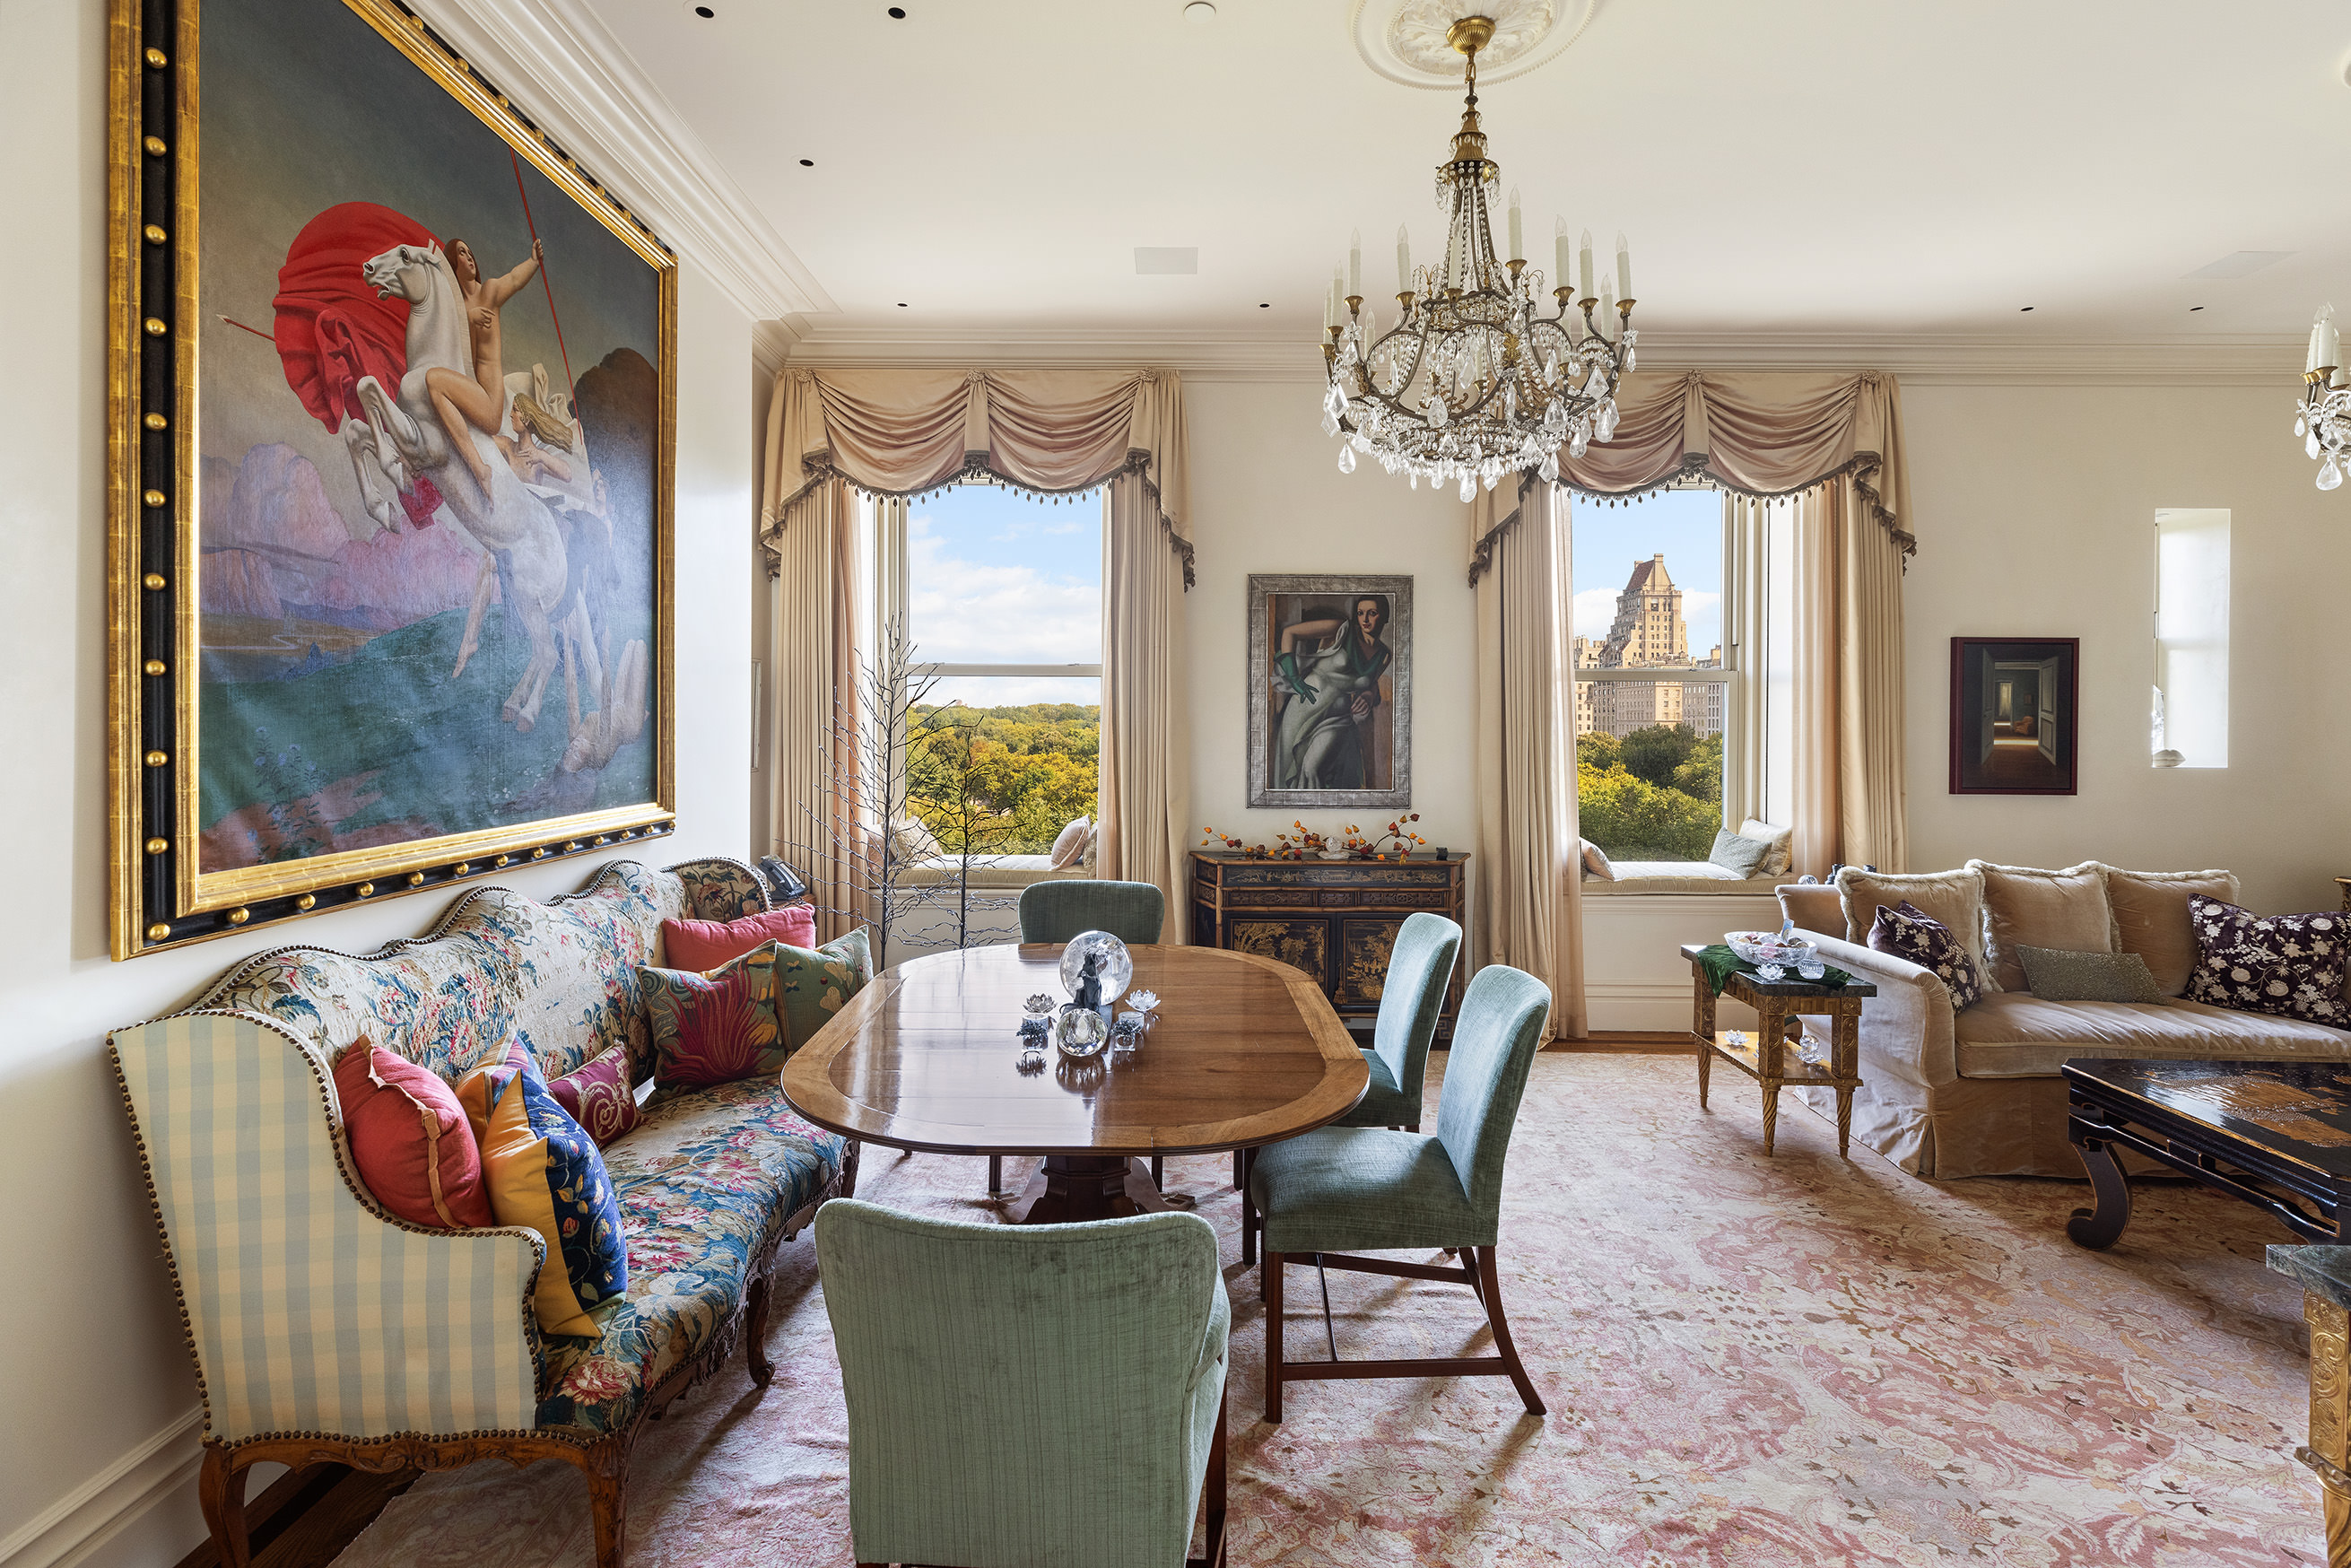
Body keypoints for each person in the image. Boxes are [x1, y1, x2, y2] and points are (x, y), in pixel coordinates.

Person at [423, 236, 544, 490]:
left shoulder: (488, 292)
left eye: (470, 253)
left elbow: (513, 279)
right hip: (470, 394)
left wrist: (533, 262)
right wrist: (469, 319)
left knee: (433, 380)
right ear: (453, 263)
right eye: (462, 253)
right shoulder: (454, 308)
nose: (469, 258)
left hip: (488, 402)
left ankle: (480, 469)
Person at [1271, 595, 1391, 790]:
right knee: (1290, 770)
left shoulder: (1384, 655)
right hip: (1304, 708)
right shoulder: (1341, 628)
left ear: (1384, 616)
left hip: (1338, 716)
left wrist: (1368, 696)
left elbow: (1371, 683)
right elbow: (1289, 633)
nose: (1365, 619)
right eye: (1360, 613)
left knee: (1311, 769)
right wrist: (1294, 678)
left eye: (1372, 613)